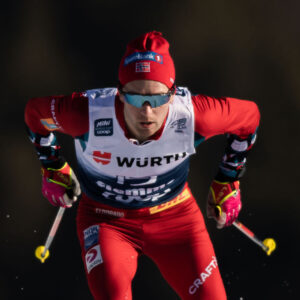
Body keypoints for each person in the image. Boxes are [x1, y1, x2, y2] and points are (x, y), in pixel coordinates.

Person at [25, 31, 260, 300]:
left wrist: (227, 180)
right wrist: (53, 166)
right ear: (120, 94)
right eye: (136, 98)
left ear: (172, 95)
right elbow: (35, 114)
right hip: (106, 220)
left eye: (158, 99)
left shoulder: (195, 116)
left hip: (176, 218)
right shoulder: (86, 114)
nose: (147, 112)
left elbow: (249, 118)